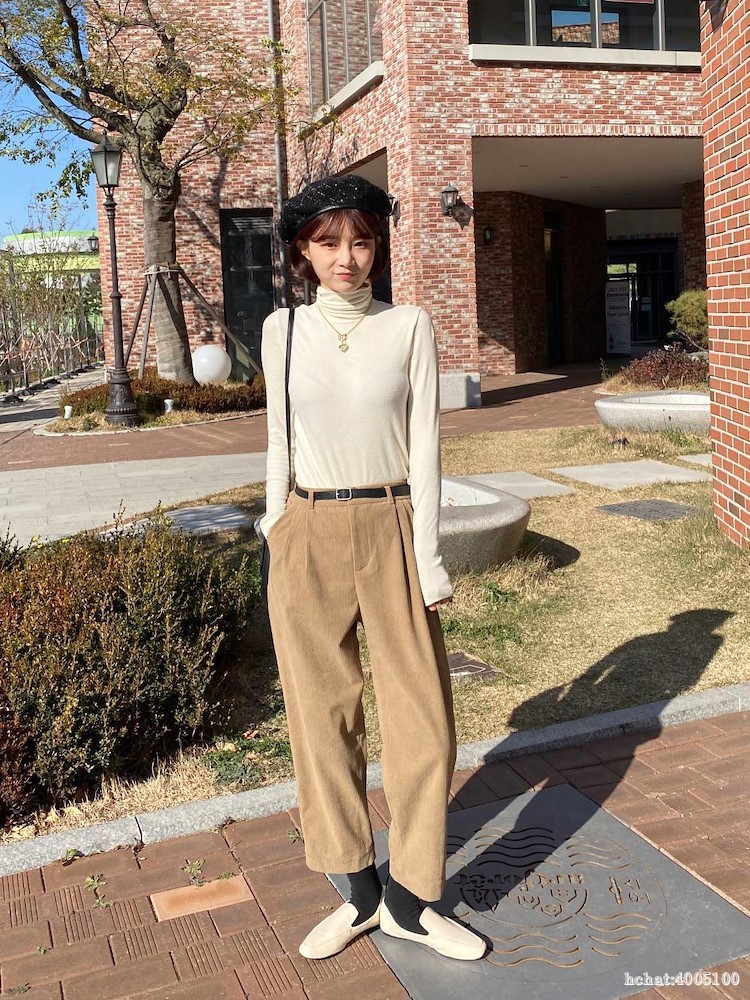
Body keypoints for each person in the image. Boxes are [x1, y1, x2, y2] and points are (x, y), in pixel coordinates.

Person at [259, 175, 486, 963]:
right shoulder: (283, 330)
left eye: (360, 240)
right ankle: (358, 890)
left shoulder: (409, 325)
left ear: (378, 246)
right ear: (303, 250)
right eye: (328, 243)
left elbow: (426, 448)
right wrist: (275, 523)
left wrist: (428, 556)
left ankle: (411, 901)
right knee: (321, 718)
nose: (346, 258)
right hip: (309, 527)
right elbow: (279, 438)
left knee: (424, 721)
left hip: (391, 521)